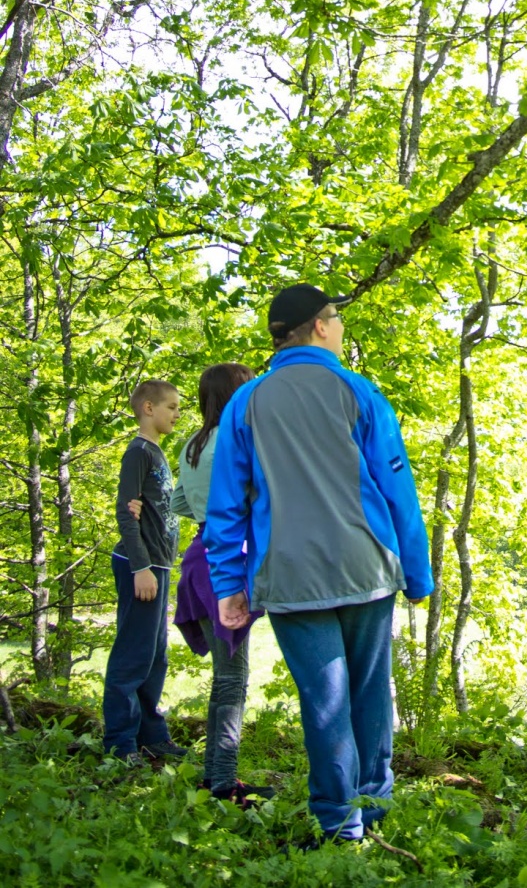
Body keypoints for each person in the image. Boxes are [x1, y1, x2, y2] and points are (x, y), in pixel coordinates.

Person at [204, 284, 434, 844]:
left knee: (324, 702)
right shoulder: (358, 391)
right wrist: (417, 569)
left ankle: (340, 825)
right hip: (365, 568)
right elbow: (397, 487)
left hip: (288, 577)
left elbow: (226, 505)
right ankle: (372, 808)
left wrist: (228, 584)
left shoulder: (247, 402)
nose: (340, 325)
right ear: (320, 327)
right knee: (369, 693)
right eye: (336, 316)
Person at [171, 362, 270, 805]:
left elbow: (178, 502)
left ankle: (215, 777)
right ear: (237, 394)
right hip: (228, 563)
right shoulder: (239, 442)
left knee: (223, 677)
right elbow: (257, 498)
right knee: (232, 679)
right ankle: (225, 783)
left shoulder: (191, 443)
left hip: (198, 558)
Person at [102, 378, 186, 762]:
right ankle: (120, 743)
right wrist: (141, 567)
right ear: (149, 408)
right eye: (171, 407)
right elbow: (126, 509)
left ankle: (152, 735)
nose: (177, 414)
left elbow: (157, 507)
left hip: (159, 564)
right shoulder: (138, 452)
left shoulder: (158, 453)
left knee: (155, 656)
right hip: (142, 565)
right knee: (133, 655)